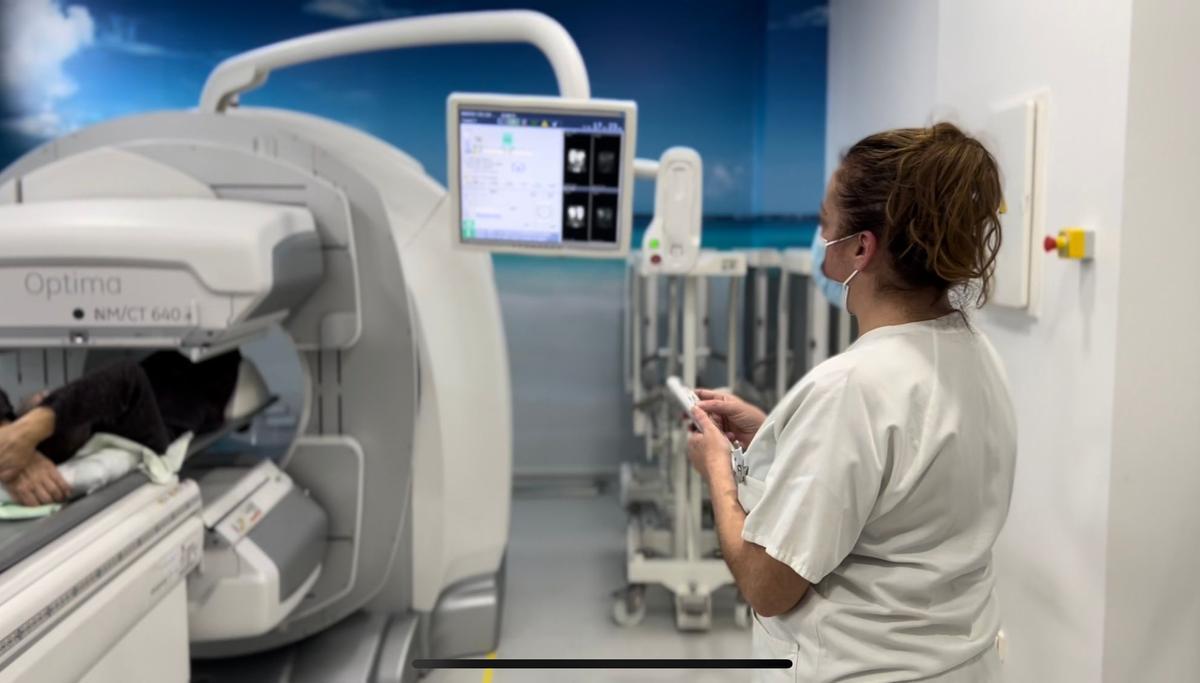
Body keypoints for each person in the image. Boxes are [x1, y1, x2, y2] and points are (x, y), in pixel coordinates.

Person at [686, 122, 1016, 681]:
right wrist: (781, 437)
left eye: (824, 223)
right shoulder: (978, 356)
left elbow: (769, 587)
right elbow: (901, 481)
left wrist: (717, 469)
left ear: (862, 247)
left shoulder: (850, 387)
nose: (819, 238)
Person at [0, 351, 245, 507]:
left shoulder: (86, 419)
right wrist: (26, 433)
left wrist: (10, 427)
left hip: (176, 361)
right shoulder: (142, 432)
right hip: (210, 370)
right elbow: (127, 377)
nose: (43, 395)